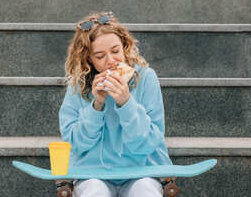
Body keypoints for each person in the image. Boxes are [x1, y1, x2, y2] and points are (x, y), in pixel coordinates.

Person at [59, 12, 172, 197]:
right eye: (100, 55)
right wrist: (97, 105)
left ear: (124, 46)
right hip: (91, 173)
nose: (111, 61)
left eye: (115, 51)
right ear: (89, 59)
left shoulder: (145, 77)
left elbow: (150, 142)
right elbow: (75, 144)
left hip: (141, 171)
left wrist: (126, 103)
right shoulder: (78, 84)